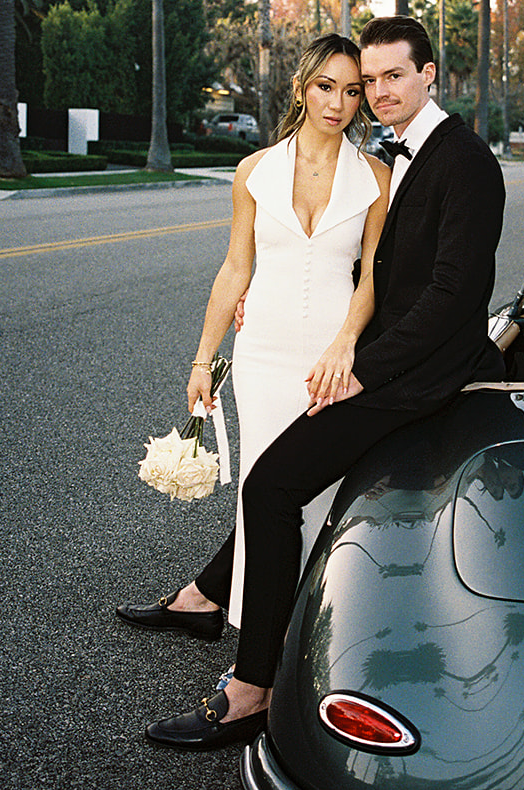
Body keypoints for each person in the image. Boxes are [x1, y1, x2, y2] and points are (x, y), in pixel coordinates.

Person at [144, 15, 508, 749]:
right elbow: (339, 268)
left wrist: (354, 361)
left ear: (429, 74)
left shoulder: (462, 161)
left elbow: (448, 297)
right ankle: (213, 599)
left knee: (271, 487)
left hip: (410, 381)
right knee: (277, 479)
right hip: (362, 360)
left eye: (389, 77)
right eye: (364, 81)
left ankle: (251, 689)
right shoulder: (401, 154)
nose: (373, 94)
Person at [117, 33, 390, 639]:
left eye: (352, 91)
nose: (338, 104)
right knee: (260, 487)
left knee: (317, 490)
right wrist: (202, 360)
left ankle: (298, 628)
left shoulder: (375, 178)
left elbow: (373, 271)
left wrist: (347, 341)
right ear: (300, 88)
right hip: (262, 352)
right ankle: (248, 627)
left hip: (331, 354)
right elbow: (236, 266)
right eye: (325, 87)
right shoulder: (254, 171)